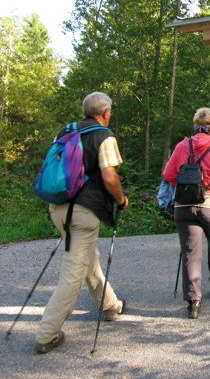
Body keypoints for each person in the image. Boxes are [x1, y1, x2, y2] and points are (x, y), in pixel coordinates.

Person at [35, 92, 129, 354]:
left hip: (57, 207)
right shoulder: (105, 136)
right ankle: (47, 334)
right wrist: (121, 200)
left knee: (88, 260)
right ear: (106, 112)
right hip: (84, 213)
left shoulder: (65, 132)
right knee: (72, 274)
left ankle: (110, 305)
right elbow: (109, 177)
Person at [163, 107, 210, 319]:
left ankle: (193, 300)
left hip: (184, 207)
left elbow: (168, 175)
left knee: (190, 252)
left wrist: (187, 186)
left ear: (195, 126)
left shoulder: (181, 145)